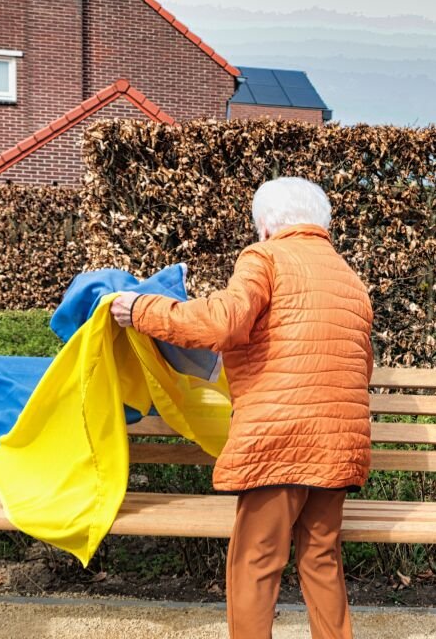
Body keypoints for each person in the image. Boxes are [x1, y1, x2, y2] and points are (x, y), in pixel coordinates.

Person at [111, 176, 374, 639]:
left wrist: (141, 310)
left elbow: (225, 323)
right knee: (321, 558)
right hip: (341, 445)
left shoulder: (265, 256)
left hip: (281, 439)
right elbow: (361, 366)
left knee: (256, 560)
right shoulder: (349, 278)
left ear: (267, 225)